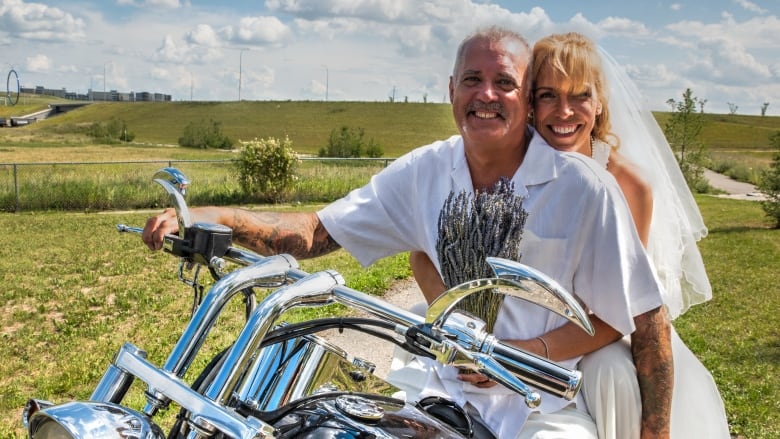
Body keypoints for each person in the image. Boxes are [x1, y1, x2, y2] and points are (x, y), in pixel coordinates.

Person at [143, 26, 670, 438]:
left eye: (504, 82)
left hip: (544, 406)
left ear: (525, 97)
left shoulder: (585, 188)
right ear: (451, 90)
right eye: (472, 80)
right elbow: (312, 232)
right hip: (438, 392)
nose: (486, 94)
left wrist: (651, 433)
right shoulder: (423, 172)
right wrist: (211, 217)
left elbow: (646, 322)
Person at [408, 32, 728, 438]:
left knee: (611, 373)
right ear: (527, 101)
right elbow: (425, 252)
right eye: (547, 95)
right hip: (505, 327)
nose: (564, 112)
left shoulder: (626, 185)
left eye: (579, 96)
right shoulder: (496, 163)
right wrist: (468, 329)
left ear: (599, 103)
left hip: (600, 330)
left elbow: (627, 309)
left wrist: (520, 355)